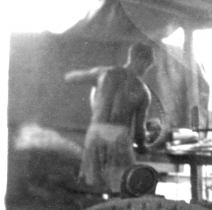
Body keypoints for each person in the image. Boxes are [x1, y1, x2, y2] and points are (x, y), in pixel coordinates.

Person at [65, 42, 155, 193]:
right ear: (142, 60)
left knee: (93, 186)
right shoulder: (143, 91)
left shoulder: (104, 73)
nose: (146, 69)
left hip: (95, 133)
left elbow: (70, 78)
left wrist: (95, 80)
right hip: (118, 136)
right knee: (123, 187)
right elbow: (139, 132)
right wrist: (143, 147)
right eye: (148, 65)